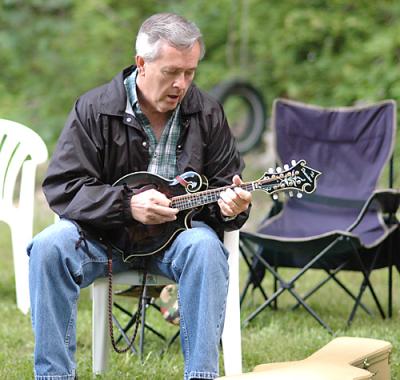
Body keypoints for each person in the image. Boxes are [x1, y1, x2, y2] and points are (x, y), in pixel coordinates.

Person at [28, 12, 252, 380]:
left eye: (190, 72)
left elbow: (228, 187)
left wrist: (233, 207)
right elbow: (63, 186)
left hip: (178, 239)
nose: (182, 84)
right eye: (171, 72)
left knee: (208, 248)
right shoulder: (94, 108)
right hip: (104, 239)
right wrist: (126, 205)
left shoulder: (207, 112)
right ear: (141, 64)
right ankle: (53, 376)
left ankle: (202, 376)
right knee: (49, 246)